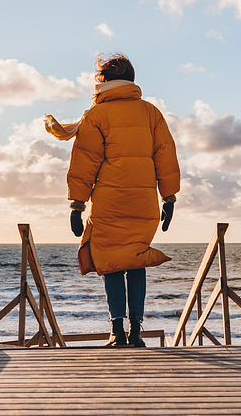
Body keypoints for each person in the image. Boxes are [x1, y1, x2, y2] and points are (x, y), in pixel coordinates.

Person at [45, 53, 180, 347]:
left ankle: (117, 331)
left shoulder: (96, 116)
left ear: (104, 82)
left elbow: (85, 163)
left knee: (111, 263)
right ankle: (137, 332)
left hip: (109, 202)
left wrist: (77, 205)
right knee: (135, 259)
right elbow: (165, 156)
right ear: (131, 81)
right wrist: (168, 198)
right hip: (144, 203)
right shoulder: (151, 112)